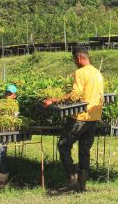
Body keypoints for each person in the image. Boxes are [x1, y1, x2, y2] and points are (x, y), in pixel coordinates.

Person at [43, 46, 104, 193]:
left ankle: (72, 179)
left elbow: (75, 94)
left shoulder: (80, 72)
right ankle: (82, 186)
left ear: (78, 58)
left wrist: (55, 100)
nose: (75, 63)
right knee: (84, 150)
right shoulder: (97, 73)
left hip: (80, 117)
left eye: (74, 60)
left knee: (63, 145)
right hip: (94, 117)